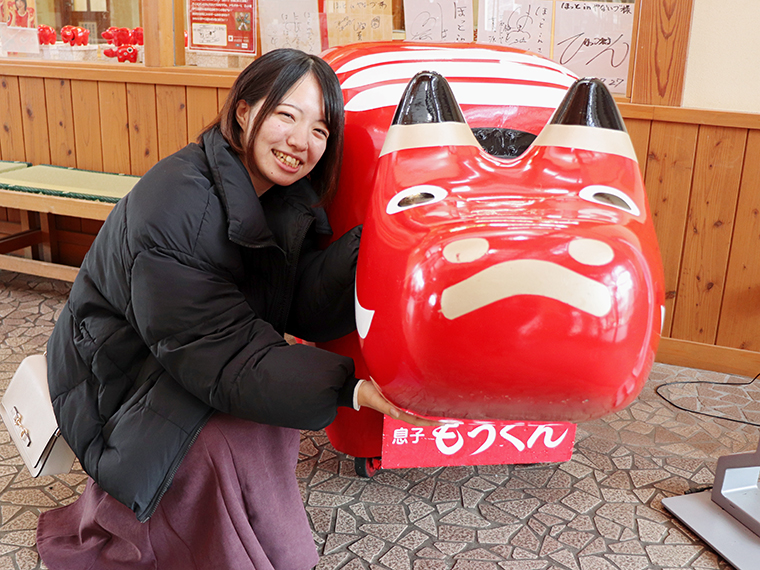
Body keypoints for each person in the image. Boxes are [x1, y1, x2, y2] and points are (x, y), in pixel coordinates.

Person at [36, 48, 432, 570]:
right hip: (113, 377)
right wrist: (350, 388)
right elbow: (215, 349)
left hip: (177, 353)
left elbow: (298, 302)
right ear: (244, 111)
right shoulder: (179, 200)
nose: (300, 141)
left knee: (271, 409)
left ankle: (250, 545)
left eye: (320, 129)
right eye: (287, 115)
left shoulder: (280, 197)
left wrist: (376, 240)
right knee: (233, 435)